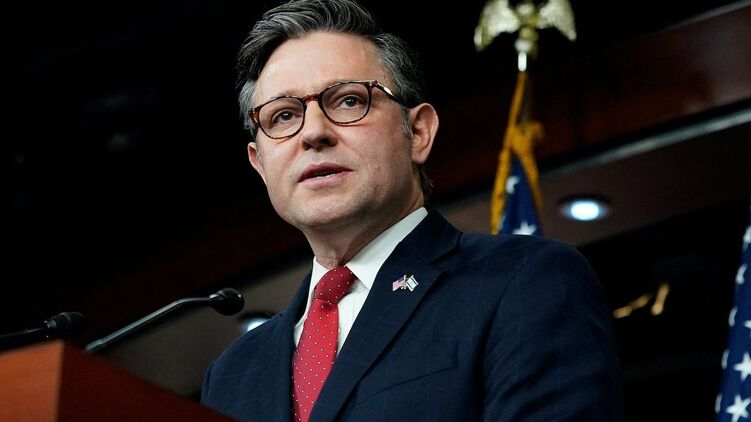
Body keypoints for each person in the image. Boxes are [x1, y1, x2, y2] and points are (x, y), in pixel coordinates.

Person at [201, 0, 623, 420]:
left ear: (418, 132)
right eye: (283, 116)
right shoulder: (230, 376)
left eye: (348, 101)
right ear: (260, 164)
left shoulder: (523, 282)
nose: (313, 132)